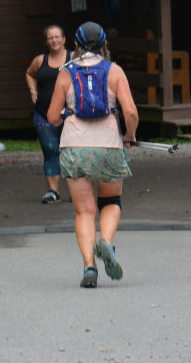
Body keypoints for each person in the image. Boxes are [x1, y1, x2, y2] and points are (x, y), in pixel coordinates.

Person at [47, 21, 138, 288]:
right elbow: (130, 112)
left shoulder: (65, 72)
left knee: (84, 212)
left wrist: (66, 113)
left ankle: (89, 266)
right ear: (104, 45)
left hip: (75, 148)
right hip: (108, 147)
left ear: (74, 45)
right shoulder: (115, 71)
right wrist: (129, 135)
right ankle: (107, 242)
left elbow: (52, 117)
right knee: (111, 202)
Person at [25, 24, 72, 203]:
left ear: (64, 39)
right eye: (50, 38)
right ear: (47, 42)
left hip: (69, 115)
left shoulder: (73, 58)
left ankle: (78, 192)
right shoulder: (40, 60)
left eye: (57, 37)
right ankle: (53, 192)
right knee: (50, 150)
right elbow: (29, 74)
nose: (54, 40)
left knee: (72, 152)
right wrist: (33, 91)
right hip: (43, 115)